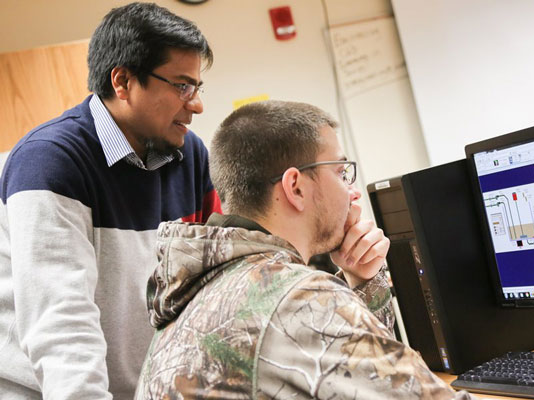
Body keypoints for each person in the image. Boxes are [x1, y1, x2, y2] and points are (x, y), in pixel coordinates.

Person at [135, 100, 472, 399]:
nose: (352, 193)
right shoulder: (295, 298)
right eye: (341, 172)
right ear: (295, 186)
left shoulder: (198, 291)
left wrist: (362, 281)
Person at [0, 3, 221, 398]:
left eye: (197, 88)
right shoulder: (48, 161)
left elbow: (215, 280)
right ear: (122, 81)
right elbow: (61, 327)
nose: (197, 104)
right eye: (182, 86)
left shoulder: (190, 155)